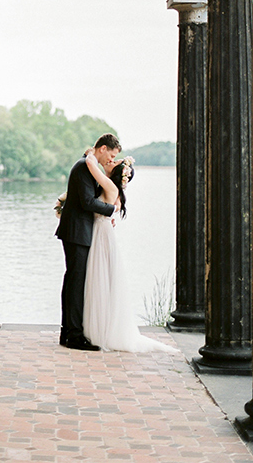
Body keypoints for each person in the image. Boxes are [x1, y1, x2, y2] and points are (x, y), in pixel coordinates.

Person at [79, 150, 176, 354]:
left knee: (100, 278)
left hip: (101, 235)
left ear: (116, 173)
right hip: (102, 231)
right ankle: (97, 327)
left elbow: (90, 164)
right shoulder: (110, 186)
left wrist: (92, 153)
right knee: (101, 279)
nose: (111, 161)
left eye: (114, 162)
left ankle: (99, 330)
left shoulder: (109, 185)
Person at [55, 134, 120, 351]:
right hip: (76, 232)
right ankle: (74, 336)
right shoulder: (84, 167)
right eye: (110, 155)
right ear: (102, 148)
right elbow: (87, 201)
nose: (110, 160)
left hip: (79, 231)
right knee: (76, 283)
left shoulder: (88, 166)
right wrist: (111, 210)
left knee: (74, 282)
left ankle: (68, 332)